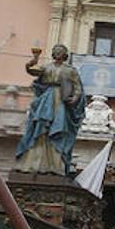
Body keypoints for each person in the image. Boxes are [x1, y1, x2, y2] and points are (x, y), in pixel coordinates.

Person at [14, 44, 86, 175]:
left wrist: (75, 98)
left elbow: (78, 88)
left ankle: (54, 165)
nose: (58, 53)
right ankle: (34, 163)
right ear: (53, 53)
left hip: (60, 101)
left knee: (58, 128)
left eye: (61, 51)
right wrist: (34, 59)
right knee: (41, 127)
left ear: (65, 55)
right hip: (47, 99)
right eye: (56, 51)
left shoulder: (70, 70)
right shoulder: (46, 67)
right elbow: (31, 70)